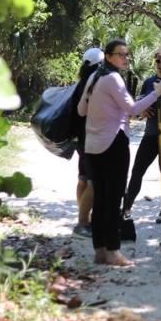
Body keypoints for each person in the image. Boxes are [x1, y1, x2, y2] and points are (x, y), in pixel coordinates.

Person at [78, 39, 161, 266]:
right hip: (114, 144)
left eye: (127, 54)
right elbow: (134, 109)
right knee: (114, 197)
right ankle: (114, 251)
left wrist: (105, 111)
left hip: (93, 145)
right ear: (108, 56)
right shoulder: (113, 78)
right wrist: (156, 93)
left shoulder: (93, 77)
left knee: (101, 197)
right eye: (121, 54)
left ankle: (100, 250)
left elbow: (81, 109)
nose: (125, 58)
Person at [122, 44, 161, 222]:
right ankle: (126, 208)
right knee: (137, 171)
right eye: (158, 61)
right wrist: (142, 111)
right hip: (150, 134)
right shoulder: (149, 82)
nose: (160, 64)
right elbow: (139, 103)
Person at [70, 47, 103, 239]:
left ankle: (84, 218)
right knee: (94, 182)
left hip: (79, 139)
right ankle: (82, 223)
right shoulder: (92, 85)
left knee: (83, 178)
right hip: (90, 139)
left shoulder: (80, 83)